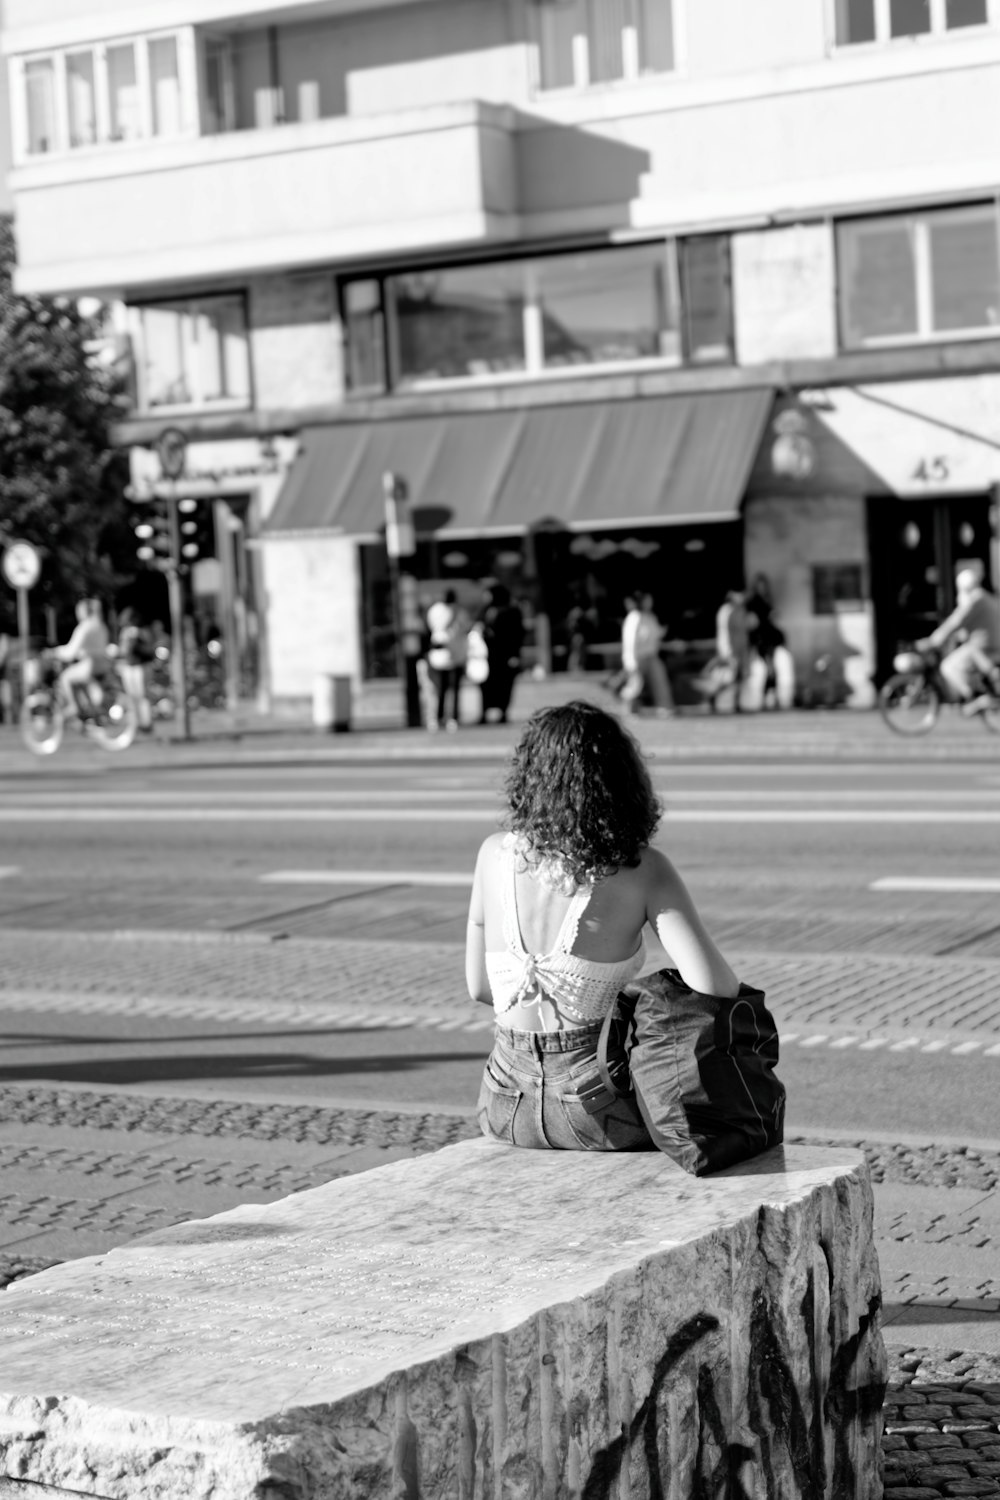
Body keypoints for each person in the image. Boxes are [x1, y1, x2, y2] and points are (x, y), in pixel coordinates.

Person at [466, 701, 740, 1151]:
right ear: (620, 781)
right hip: (597, 1110)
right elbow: (717, 988)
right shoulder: (643, 869)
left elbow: (479, 988)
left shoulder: (492, 854)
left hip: (502, 1104)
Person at [919, 565, 1000, 714]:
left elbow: (956, 621)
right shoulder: (986, 598)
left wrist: (934, 639)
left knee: (947, 666)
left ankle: (973, 697)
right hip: (990, 647)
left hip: (981, 648)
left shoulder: (975, 600)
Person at [53, 598, 110, 718]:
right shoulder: (101, 626)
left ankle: (74, 706)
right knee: (79, 681)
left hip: (89, 665)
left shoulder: (85, 627)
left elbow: (70, 652)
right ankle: (88, 710)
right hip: (103, 664)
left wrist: (55, 652)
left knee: (65, 677)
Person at [620, 592, 674, 717]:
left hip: (651, 656)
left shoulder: (650, 617)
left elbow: (654, 635)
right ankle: (629, 709)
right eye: (647, 600)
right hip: (637, 658)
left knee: (660, 681)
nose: (650, 603)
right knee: (635, 685)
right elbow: (630, 641)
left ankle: (665, 708)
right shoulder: (634, 617)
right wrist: (631, 661)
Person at [478, 583, 524, 725]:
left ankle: (503, 712)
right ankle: (484, 712)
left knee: (505, 685)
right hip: (488, 656)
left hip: (505, 656)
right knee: (486, 685)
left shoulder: (512, 611)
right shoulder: (486, 610)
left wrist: (515, 655)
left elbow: (517, 634)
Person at [425, 588, 469, 731]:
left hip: (437, 654)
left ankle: (437, 718)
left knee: (439, 690)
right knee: (454, 689)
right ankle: (453, 718)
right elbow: (465, 629)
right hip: (454, 654)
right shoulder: (459, 612)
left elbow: (429, 628)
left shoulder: (434, 610)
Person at [744, 573, 786, 710]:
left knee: (772, 668)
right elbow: (751, 622)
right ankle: (767, 696)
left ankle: (772, 695)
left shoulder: (767, 600)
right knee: (769, 669)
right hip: (761, 640)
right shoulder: (753, 601)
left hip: (770, 639)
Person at [713, 590, 751, 713]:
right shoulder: (725, 611)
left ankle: (737, 703)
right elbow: (723, 633)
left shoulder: (741, 611)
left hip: (742, 649)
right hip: (731, 649)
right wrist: (725, 651)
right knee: (729, 678)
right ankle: (713, 697)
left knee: (741, 677)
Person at [117, 607, 154, 733]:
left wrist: (137, 643)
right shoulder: (125, 632)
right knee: (132, 697)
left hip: (140, 666)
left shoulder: (142, 632)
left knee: (142, 695)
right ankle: (136, 723)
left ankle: (146, 723)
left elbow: (149, 649)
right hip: (128, 666)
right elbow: (123, 650)